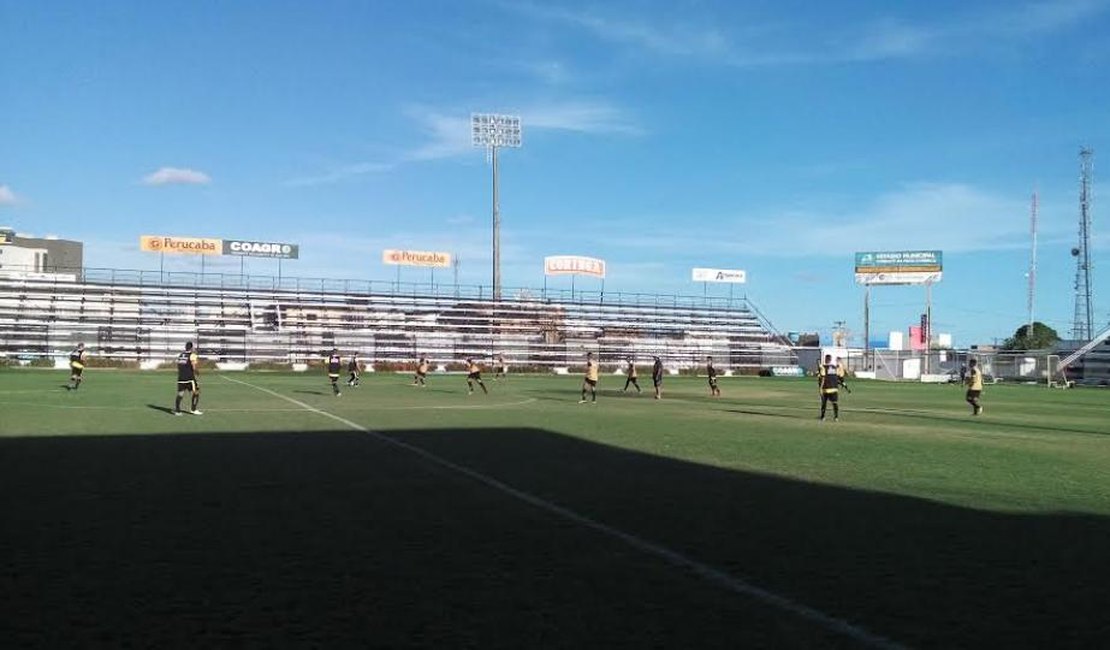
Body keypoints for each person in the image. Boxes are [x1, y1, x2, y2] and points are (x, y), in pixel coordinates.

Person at [174, 341, 202, 415]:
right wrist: (197, 372)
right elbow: (193, 366)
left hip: (181, 378)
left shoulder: (181, 355)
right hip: (189, 378)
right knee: (196, 392)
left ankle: (177, 411)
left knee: (180, 394)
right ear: (192, 348)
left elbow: (179, 365)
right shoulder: (192, 355)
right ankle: (193, 409)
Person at [818, 354, 840, 421]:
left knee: (824, 403)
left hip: (826, 388)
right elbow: (837, 376)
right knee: (835, 403)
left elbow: (823, 378)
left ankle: (823, 417)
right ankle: (836, 417)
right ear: (830, 359)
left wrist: (820, 388)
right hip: (834, 388)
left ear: (825, 359)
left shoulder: (823, 367)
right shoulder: (834, 367)